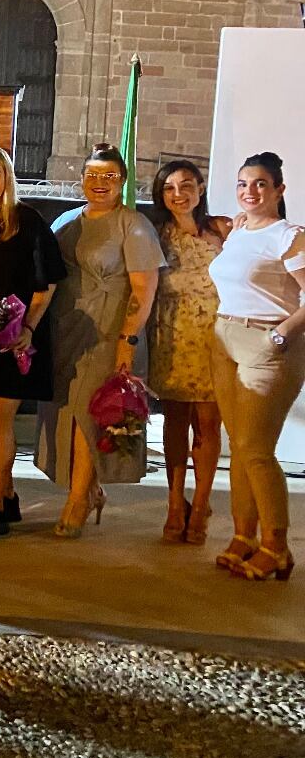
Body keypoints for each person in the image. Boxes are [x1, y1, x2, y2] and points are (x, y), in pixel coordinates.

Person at [37, 144, 163, 538]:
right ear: (82, 178)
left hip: (109, 331)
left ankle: (77, 499)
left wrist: (127, 341)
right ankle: (89, 489)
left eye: (109, 176)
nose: (100, 183)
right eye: (93, 174)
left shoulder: (134, 225)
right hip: (67, 327)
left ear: (122, 181)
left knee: (87, 413)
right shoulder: (66, 221)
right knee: (64, 411)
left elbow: (145, 289)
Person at [208, 152, 305, 582]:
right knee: (239, 448)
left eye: (261, 184)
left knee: (256, 449)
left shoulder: (288, 236)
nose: (251, 191)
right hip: (224, 339)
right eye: (244, 183)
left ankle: (277, 547)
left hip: (267, 343)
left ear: (280, 190)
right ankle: (244, 536)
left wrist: (280, 335)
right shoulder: (239, 229)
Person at [0, 147, 65, 539]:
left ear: (8, 179)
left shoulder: (28, 221)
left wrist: (28, 329)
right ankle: (8, 495)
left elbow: (47, 284)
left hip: (16, 338)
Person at [147, 159, 230, 545]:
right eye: (169, 188)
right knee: (174, 424)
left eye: (186, 185)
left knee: (208, 425)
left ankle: (200, 504)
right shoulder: (155, 234)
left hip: (214, 338)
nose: (179, 194)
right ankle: (173, 504)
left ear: (200, 187)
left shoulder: (222, 229)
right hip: (171, 337)